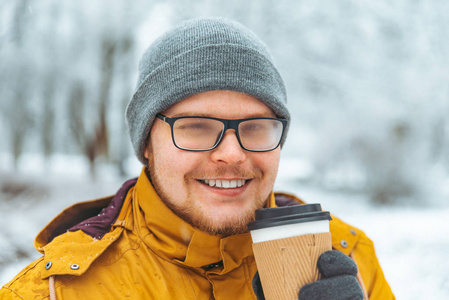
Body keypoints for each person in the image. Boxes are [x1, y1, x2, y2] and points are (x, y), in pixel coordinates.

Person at [0, 18, 394, 299]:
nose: (231, 153)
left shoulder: (345, 258)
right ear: (147, 145)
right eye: (195, 127)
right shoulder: (55, 293)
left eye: (256, 126)